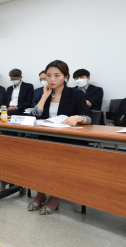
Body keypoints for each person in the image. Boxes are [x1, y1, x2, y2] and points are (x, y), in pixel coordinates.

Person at [28, 60, 92, 215]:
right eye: (49, 75)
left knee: (56, 165)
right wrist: (44, 96)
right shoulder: (43, 92)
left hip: (67, 140)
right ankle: (41, 193)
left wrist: (78, 118)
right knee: (38, 163)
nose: (52, 79)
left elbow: (89, 117)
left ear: (66, 77)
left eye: (57, 75)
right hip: (45, 137)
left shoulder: (76, 94)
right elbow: (35, 114)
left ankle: (55, 197)